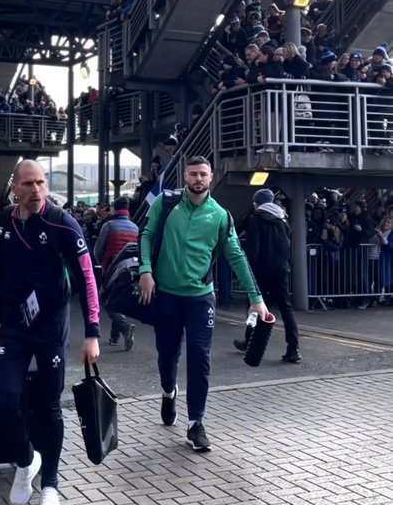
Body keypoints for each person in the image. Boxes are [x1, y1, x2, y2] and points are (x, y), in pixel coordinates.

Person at [0, 160, 100, 505]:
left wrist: (93, 332)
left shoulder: (62, 223)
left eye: (41, 182)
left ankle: (51, 487)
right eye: (28, 183)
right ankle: (27, 460)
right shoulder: (2, 222)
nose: (36, 189)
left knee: (48, 406)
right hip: (13, 327)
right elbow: (2, 273)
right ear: (15, 187)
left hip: (50, 327)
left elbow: (87, 279)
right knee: (4, 403)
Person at [138, 156, 269, 452]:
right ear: (185, 176)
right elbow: (146, 236)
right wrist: (146, 270)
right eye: (193, 174)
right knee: (167, 354)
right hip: (167, 295)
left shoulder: (220, 215)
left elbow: (236, 255)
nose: (198, 179)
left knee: (199, 357)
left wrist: (255, 298)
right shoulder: (166, 203)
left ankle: (196, 423)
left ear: (211, 178)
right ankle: (169, 392)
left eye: (203, 174)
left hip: (200, 297)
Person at [237, 189, 301, 363]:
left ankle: (249, 341)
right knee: (286, 308)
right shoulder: (283, 220)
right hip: (281, 269)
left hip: (260, 270)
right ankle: (293, 348)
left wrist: (247, 269)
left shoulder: (255, 220)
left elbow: (253, 249)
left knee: (253, 304)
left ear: (256, 203)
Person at [94, 196, 139, 350]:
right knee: (118, 299)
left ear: (115, 208)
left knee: (106, 300)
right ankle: (115, 337)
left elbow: (98, 250)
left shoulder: (109, 225)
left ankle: (125, 327)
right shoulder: (135, 227)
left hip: (112, 267)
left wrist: (101, 263)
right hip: (130, 269)